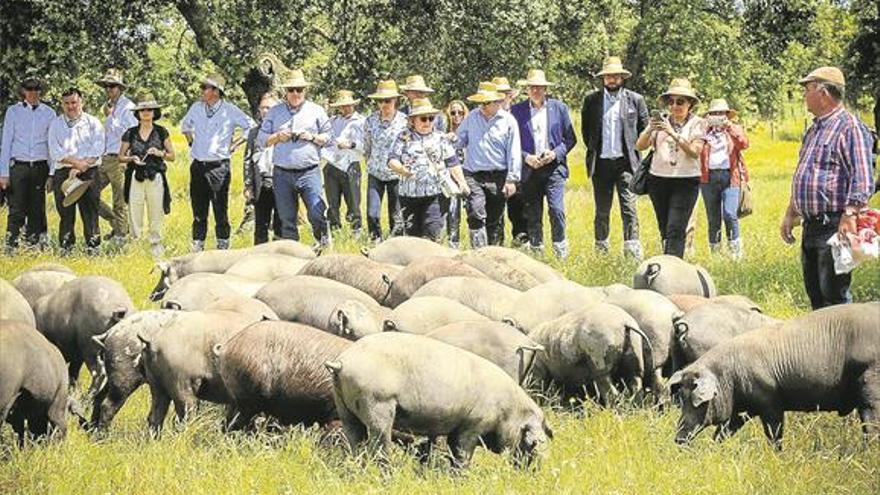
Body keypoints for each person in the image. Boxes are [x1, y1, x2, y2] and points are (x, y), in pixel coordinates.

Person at [781, 66, 874, 309]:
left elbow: (863, 177)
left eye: (807, 89)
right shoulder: (814, 129)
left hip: (834, 225)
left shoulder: (849, 127)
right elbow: (805, 173)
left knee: (834, 298)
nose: (804, 95)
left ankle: (847, 347)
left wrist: (850, 214)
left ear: (823, 93)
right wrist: (791, 212)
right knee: (816, 296)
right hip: (811, 225)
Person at [580, 56, 648, 259]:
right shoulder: (591, 101)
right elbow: (586, 132)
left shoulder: (635, 100)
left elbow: (644, 130)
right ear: (603, 78)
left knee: (629, 207)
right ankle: (601, 252)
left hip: (626, 163)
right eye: (608, 76)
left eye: (615, 76)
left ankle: (632, 250)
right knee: (602, 210)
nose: (611, 79)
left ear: (621, 78)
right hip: (600, 163)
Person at [180, 73, 254, 251]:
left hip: (219, 166)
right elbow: (185, 126)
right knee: (198, 210)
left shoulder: (229, 110)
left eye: (205, 87)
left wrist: (235, 143)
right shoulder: (197, 108)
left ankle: (223, 245)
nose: (202, 91)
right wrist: (192, 142)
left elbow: (251, 126)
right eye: (203, 87)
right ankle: (198, 245)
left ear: (216, 91)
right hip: (198, 164)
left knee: (220, 209)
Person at [259, 69, 331, 247]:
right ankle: (294, 254)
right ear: (286, 92)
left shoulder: (317, 111)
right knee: (286, 217)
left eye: (299, 89)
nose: (295, 93)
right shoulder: (274, 112)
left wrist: (311, 137)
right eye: (291, 90)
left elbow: (329, 137)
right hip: (282, 173)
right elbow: (262, 140)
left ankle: (323, 243)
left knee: (316, 212)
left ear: (305, 91)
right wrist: (277, 137)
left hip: (309, 172)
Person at [635, 78, 706, 258]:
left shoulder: (698, 123)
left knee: (676, 227)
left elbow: (695, 152)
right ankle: (668, 260)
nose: (675, 106)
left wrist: (672, 133)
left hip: (685, 181)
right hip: (658, 180)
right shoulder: (662, 122)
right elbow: (639, 146)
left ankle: (673, 268)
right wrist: (650, 129)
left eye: (680, 101)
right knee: (665, 227)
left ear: (690, 104)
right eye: (671, 101)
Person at [511, 69, 576, 259]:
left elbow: (570, 139)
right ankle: (537, 251)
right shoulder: (517, 111)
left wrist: (555, 154)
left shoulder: (559, 108)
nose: (536, 91)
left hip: (554, 168)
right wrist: (526, 157)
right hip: (530, 168)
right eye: (532, 87)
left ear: (546, 89)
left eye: (540, 87)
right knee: (533, 213)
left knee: (556, 210)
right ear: (527, 90)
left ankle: (560, 252)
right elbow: (512, 142)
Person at [389, 98, 469, 241]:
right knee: (413, 238)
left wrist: (462, 183)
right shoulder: (403, 137)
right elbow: (391, 160)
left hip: (435, 195)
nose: (427, 122)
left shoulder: (441, 138)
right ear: (413, 120)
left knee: (432, 234)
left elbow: (453, 163)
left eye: (431, 118)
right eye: (423, 119)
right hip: (409, 195)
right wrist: (401, 169)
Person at [456, 81, 522, 247]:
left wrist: (512, 179)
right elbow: (458, 141)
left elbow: (514, 151)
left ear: (497, 102)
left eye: (486, 102)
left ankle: (494, 255)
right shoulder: (471, 117)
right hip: (474, 174)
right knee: (476, 212)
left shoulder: (508, 121)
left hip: (498, 175)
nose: (482, 106)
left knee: (495, 218)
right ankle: (478, 251)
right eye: (480, 102)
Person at [48, 87, 106, 255]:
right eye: (67, 103)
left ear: (82, 102)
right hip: (64, 173)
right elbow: (55, 152)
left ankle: (93, 248)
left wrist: (82, 166)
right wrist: (75, 164)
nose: (71, 106)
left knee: (90, 211)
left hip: (90, 172)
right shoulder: (56, 124)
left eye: (74, 102)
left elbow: (98, 148)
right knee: (65, 212)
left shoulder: (93, 122)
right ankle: (66, 249)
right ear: (62, 104)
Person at [0, 76, 55, 254]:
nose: (32, 93)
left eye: (36, 89)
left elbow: (51, 144)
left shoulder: (49, 113)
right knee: (16, 207)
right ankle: (11, 244)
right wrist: (4, 173)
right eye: (29, 89)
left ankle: (33, 245)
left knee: (36, 207)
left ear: (40, 91)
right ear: (23, 91)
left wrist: (52, 173)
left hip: (40, 166)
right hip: (19, 166)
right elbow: (6, 142)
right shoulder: (13, 112)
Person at [119, 93, 175, 257]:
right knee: (134, 212)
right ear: (137, 113)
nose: (146, 112)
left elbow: (172, 156)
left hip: (155, 176)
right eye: (142, 109)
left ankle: (156, 246)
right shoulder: (130, 133)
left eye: (149, 109)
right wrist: (131, 158)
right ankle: (135, 245)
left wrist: (159, 153)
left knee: (156, 211)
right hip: (136, 175)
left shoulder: (161, 131)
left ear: (154, 112)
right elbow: (120, 157)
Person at [699, 98, 749, 258]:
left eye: (721, 114)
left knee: (729, 213)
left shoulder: (734, 129)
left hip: (730, 176)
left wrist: (730, 128)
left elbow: (744, 144)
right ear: (709, 115)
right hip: (708, 177)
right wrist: (703, 128)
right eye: (714, 113)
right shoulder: (703, 132)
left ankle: (735, 252)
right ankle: (715, 254)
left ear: (727, 115)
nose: (718, 116)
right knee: (713, 217)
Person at [95, 69, 137, 243]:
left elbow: (132, 134)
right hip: (104, 157)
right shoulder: (110, 106)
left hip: (120, 158)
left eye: (112, 86)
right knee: (89, 192)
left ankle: (120, 236)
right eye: (106, 86)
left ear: (120, 88)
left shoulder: (129, 108)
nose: (108, 89)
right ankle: (117, 224)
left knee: (119, 199)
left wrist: (111, 117)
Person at [363, 80, 408, 242]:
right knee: (372, 213)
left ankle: (395, 245)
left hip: (396, 175)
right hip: (375, 172)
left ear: (395, 100)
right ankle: (375, 242)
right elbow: (367, 145)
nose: (384, 104)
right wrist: (369, 161)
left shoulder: (405, 121)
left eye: (387, 100)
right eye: (380, 101)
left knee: (396, 215)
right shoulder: (370, 120)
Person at [322, 90, 365, 235]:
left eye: (348, 105)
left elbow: (366, 146)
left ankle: (356, 230)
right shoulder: (333, 121)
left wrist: (351, 144)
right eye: (342, 106)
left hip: (351, 163)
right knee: (332, 202)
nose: (345, 108)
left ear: (353, 105)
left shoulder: (361, 121)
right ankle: (334, 230)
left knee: (353, 200)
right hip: (332, 163)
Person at [243, 93, 282, 245]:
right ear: (259, 110)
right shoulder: (254, 133)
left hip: (281, 180)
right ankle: (259, 257)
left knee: (281, 223)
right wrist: (248, 185)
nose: (266, 111)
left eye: (270, 108)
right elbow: (247, 159)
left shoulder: (284, 130)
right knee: (261, 223)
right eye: (263, 108)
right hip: (261, 182)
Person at [495, 75, 527, 244]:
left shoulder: (520, 114)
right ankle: (497, 246)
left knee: (519, 212)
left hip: (519, 168)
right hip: (495, 170)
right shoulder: (487, 117)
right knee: (495, 214)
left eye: (505, 94)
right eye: (498, 95)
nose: (502, 98)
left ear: (510, 96)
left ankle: (520, 243)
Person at [444, 99, 469, 247]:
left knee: (474, 209)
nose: (457, 115)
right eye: (453, 112)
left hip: (469, 172)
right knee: (452, 211)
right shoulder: (443, 131)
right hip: (450, 176)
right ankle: (454, 243)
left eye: (460, 112)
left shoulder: (470, 129)